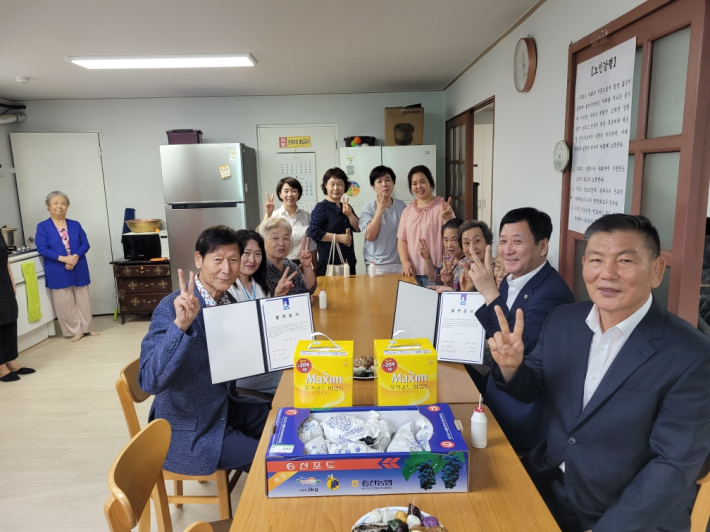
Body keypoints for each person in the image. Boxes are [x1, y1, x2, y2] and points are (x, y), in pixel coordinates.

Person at [488, 214, 710, 532]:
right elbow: (533, 389)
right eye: (596, 259)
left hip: (625, 514)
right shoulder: (563, 320)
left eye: (624, 261)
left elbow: (672, 466)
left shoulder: (691, 355)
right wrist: (511, 368)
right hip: (549, 485)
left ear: (657, 270)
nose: (607, 273)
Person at [139, 225, 270, 476]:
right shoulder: (172, 308)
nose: (227, 268)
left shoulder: (226, 300)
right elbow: (149, 381)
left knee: (284, 419)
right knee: (270, 459)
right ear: (198, 259)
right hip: (189, 427)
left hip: (223, 407)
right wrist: (180, 327)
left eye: (233, 260)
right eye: (218, 260)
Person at [465, 207, 574, 452]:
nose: (507, 250)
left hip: (519, 412)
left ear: (543, 247)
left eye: (518, 241)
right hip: (493, 389)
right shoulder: (516, 279)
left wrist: (490, 291)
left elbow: (518, 348)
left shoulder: (552, 294)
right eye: (503, 241)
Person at [226, 229, 290, 396]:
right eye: (246, 253)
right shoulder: (226, 289)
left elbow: (269, 323)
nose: (252, 260)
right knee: (293, 378)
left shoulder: (259, 284)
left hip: (266, 357)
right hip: (243, 366)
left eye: (257, 254)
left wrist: (276, 297)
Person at [35, 191, 98, 342]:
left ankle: (87, 328)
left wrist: (74, 258)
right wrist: (65, 259)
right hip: (57, 268)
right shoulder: (43, 227)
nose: (59, 206)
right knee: (64, 302)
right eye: (55, 203)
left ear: (67, 206)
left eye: (63, 203)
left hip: (78, 265)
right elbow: (42, 248)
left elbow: (85, 244)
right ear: (48, 206)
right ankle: (74, 331)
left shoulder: (75, 224)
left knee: (83, 298)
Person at [397, 165, 454, 286]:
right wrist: (404, 261)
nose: (419, 187)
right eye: (414, 183)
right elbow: (402, 240)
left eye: (422, 182)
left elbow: (453, 237)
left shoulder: (442, 207)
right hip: (411, 273)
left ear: (430, 183)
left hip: (438, 274)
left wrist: (446, 220)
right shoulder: (407, 211)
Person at [309, 168, 360, 276]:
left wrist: (350, 214)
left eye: (340, 184)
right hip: (329, 265)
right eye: (332, 184)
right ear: (326, 185)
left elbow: (358, 228)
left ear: (344, 186)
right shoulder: (321, 207)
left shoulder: (346, 206)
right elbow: (313, 231)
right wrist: (338, 238)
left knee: (350, 293)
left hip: (348, 262)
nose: (336, 188)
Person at [0, 235, 35, 382]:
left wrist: (12, 280)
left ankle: (12, 362)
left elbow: (5, 259)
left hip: (3, 282)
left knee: (9, 318)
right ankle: (1, 368)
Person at [359, 166, 407, 274]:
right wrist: (379, 212)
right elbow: (369, 236)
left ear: (393, 183)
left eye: (388, 180)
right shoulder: (368, 207)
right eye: (379, 181)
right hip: (377, 265)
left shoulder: (401, 205)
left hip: (400, 263)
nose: (384, 184)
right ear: (373, 186)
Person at [261, 177, 317, 266]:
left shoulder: (307, 217)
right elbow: (261, 236)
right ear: (280, 194)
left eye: (294, 191)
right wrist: (268, 214)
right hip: (279, 264)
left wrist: (315, 269)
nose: (290, 194)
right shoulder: (274, 215)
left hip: (303, 264)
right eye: (286, 191)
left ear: (298, 194)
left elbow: (312, 246)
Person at [261, 217, 317, 297]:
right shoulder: (260, 268)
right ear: (263, 240)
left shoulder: (289, 264)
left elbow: (309, 290)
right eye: (275, 238)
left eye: (286, 238)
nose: (281, 243)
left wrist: (307, 267)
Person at [419, 218, 468, 292]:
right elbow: (433, 276)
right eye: (446, 240)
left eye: (454, 240)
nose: (449, 245)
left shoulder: (468, 263)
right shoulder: (449, 259)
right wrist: (427, 258)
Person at [458, 219, 495, 293]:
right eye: (466, 243)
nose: (472, 248)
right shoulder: (462, 267)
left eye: (477, 241)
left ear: (488, 242)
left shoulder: (500, 269)